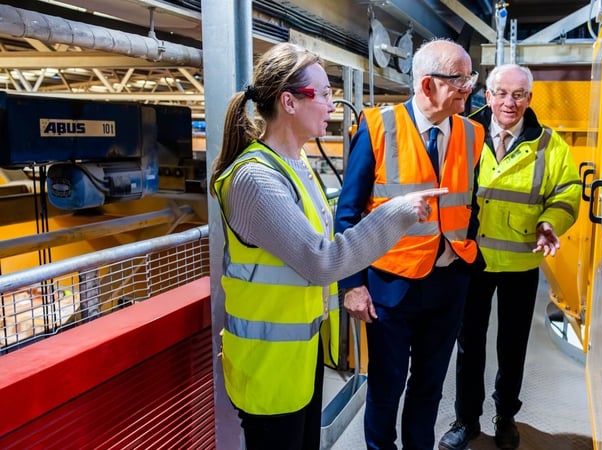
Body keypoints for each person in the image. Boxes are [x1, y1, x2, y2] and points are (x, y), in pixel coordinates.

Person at [208, 42, 447, 450]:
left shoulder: (296, 168)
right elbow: (323, 260)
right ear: (289, 102)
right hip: (267, 365)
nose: (332, 106)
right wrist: (398, 212)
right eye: (323, 94)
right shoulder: (255, 179)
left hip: (298, 357)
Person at [334, 38, 485, 450]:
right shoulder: (378, 127)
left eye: (469, 77)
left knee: (429, 388)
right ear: (427, 85)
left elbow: (470, 204)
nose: (469, 87)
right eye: (460, 79)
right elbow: (348, 214)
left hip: (448, 284)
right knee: (386, 388)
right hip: (389, 287)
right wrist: (352, 285)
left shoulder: (474, 133)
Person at [438, 63, 581, 450]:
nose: (509, 102)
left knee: (512, 347)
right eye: (501, 93)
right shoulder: (462, 135)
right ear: (488, 95)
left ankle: (505, 417)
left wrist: (551, 221)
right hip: (472, 259)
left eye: (519, 95)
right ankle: (466, 420)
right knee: (469, 347)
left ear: (530, 99)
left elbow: (567, 193)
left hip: (520, 261)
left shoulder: (550, 145)